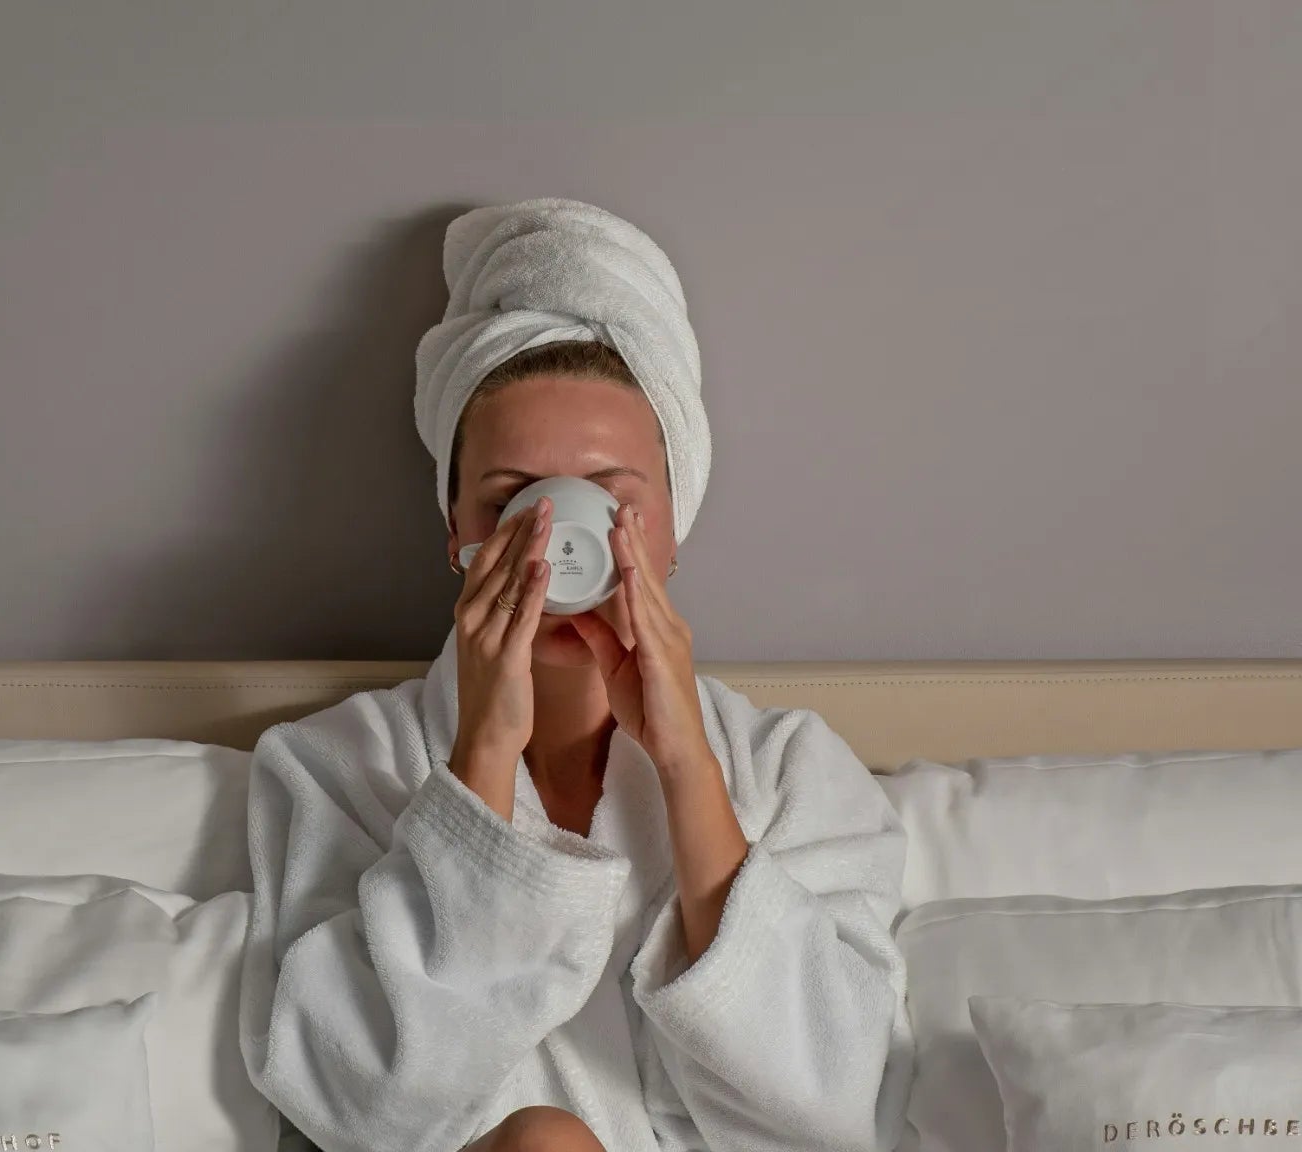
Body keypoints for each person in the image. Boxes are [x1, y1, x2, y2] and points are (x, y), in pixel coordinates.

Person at [239, 200, 910, 1152]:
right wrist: (479, 763)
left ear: (672, 533)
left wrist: (688, 775)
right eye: (513, 505)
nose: (556, 549)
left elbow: (837, 1109)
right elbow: (349, 1111)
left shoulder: (793, 771)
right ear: (456, 535)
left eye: (609, 503)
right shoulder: (330, 768)